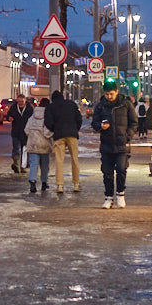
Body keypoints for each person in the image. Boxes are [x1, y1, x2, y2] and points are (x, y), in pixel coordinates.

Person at [92, 79, 137, 209]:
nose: (109, 97)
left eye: (111, 94)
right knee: (107, 173)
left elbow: (134, 123)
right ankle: (108, 198)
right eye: (106, 94)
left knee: (122, 170)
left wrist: (127, 135)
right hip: (106, 145)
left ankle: (120, 194)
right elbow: (94, 123)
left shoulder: (126, 104)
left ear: (117, 92)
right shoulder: (101, 106)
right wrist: (100, 126)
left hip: (122, 145)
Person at [45, 88, 83, 193]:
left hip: (59, 136)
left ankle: (60, 186)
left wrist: (54, 129)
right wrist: (75, 129)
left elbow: (48, 122)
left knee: (59, 161)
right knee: (75, 160)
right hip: (72, 135)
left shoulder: (51, 107)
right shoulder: (71, 104)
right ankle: (76, 184)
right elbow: (79, 119)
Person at [24, 97, 52, 194]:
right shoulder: (47, 118)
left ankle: (32, 182)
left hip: (32, 144)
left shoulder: (31, 118)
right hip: (44, 145)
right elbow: (47, 133)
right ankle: (44, 182)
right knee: (44, 165)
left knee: (33, 164)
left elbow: (26, 130)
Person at [6, 94, 33, 174]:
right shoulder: (14, 108)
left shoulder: (29, 108)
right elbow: (8, 116)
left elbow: (33, 118)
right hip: (16, 132)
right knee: (16, 148)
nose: (20, 103)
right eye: (19, 102)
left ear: (25, 101)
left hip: (26, 132)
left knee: (25, 150)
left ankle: (23, 166)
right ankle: (16, 164)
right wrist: (9, 118)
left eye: (22, 101)